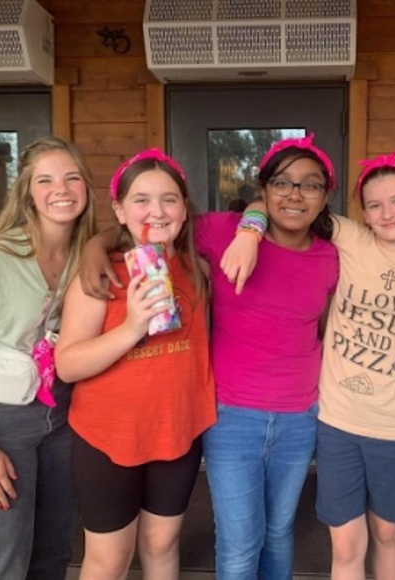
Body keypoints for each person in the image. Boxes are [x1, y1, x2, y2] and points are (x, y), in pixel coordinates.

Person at [79, 135, 339, 580]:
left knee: (279, 532)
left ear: (325, 196)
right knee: (240, 543)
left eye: (310, 185)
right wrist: (94, 246)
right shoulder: (221, 231)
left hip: (299, 417)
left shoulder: (331, 256)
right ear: (264, 189)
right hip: (232, 416)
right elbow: (153, 222)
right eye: (282, 182)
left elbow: (321, 330)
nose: (295, 194)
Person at [222, 153, 395, 579]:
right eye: (374, 205)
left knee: (388, 533)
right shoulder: (349, 239)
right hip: (337, 421)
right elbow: (281, 204)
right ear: (362, 212)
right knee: (346, 543)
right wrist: (248, 230)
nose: (387, 213)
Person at [54, 149, 216, 580]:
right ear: (120, 210)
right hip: (108, 437)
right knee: (110, 558)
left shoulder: (197, 269)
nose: (157, 211)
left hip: (178, 431)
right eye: (141, 200)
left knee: (162, 543)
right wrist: (131, 327)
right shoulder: (100, 276)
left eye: (169, 199)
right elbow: (67, 365)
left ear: (184, 209)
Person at [0, 136, 97, 580]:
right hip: (5, 419)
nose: (61, 189)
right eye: (45, 180)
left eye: (72, 177)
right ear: (27, 192)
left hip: (61, 416)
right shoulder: (2, 253)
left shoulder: (87, 253)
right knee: (7, 555)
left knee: (55, 548)